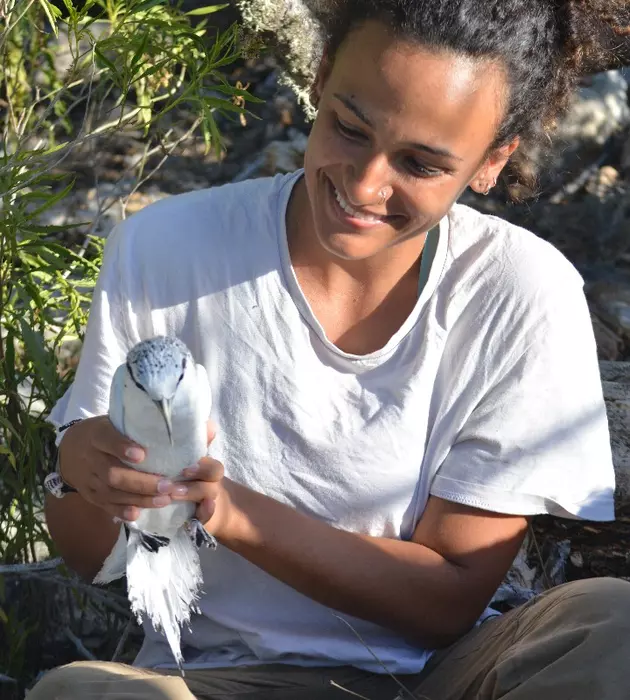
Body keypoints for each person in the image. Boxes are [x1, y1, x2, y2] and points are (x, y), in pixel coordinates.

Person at [29, 1, 630, 698]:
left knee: (609, 623)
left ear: (494, 159)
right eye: (349, 128)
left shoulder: (519, 290)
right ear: (318, 79)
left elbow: (444, 602)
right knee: (80, 692)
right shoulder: (166, 250)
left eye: (421, 164)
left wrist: (228, 510)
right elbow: (95, 558)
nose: (366, 184)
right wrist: (81, 475)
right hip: (222, 678)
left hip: (445, 676)